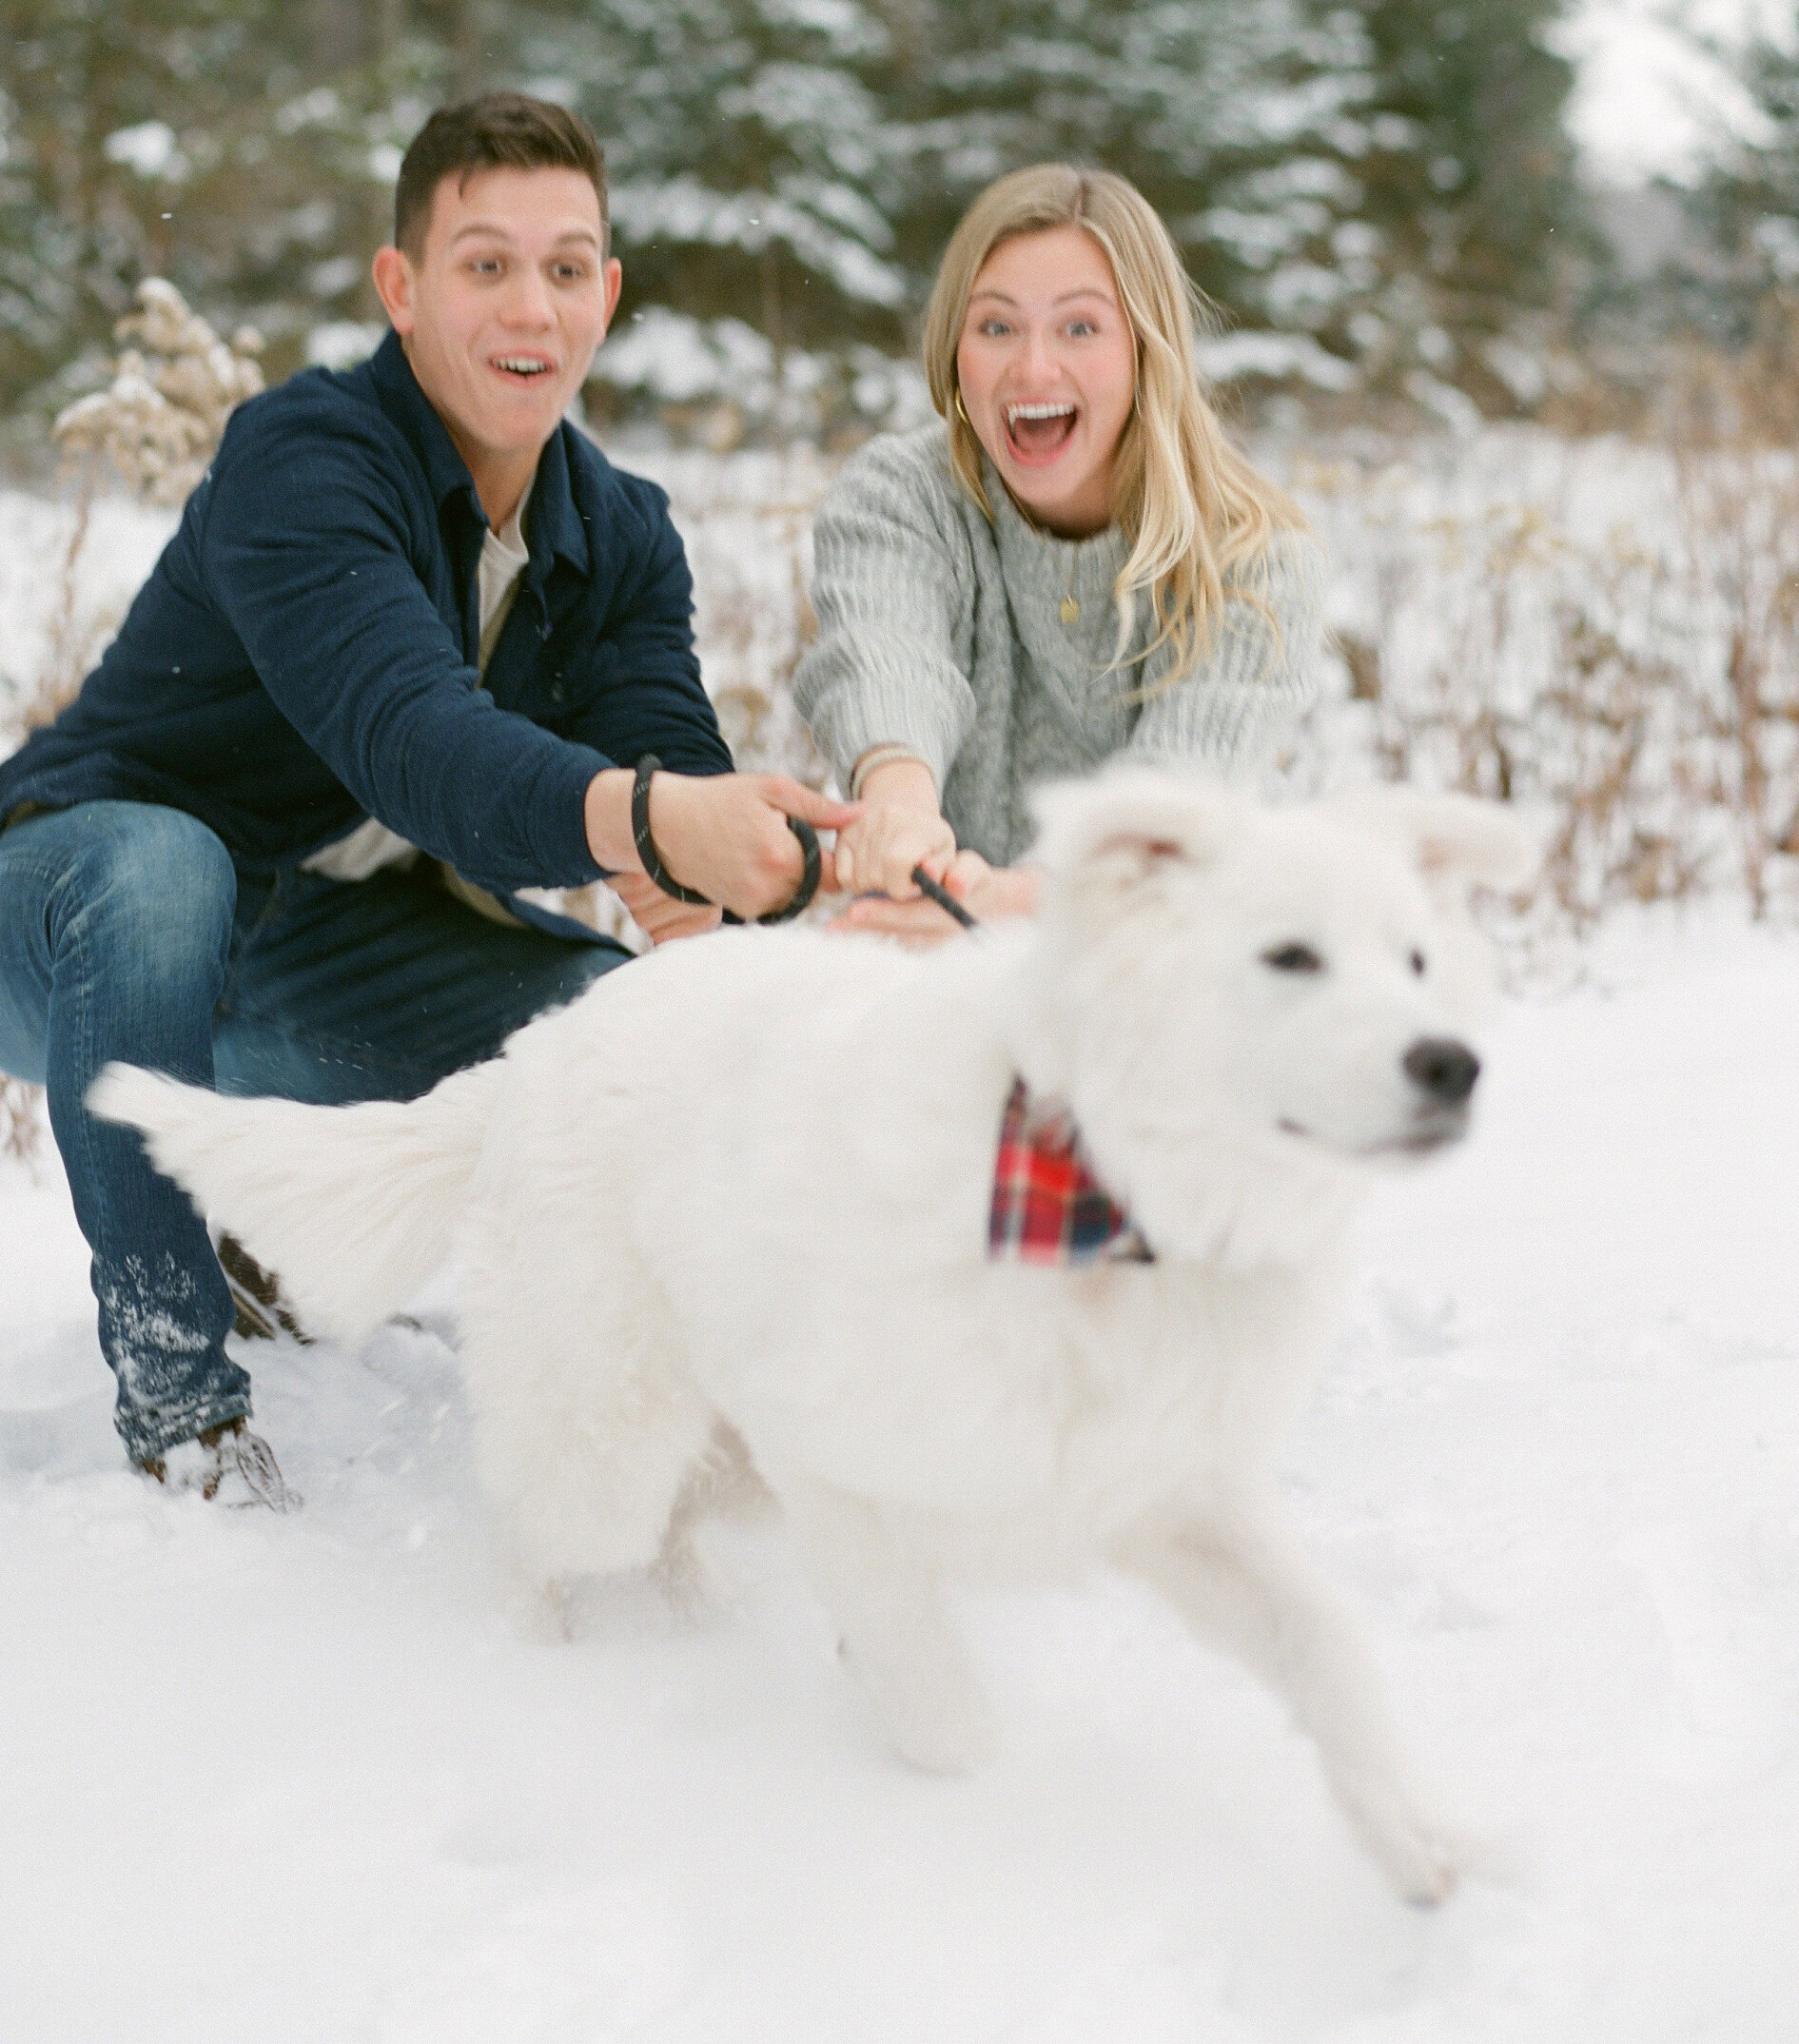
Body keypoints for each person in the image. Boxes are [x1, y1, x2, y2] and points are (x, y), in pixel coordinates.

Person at [0, 93, 851, 1496]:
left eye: (568, 268)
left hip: (316, 962)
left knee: (608, 1033)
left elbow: (671, 788)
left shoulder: (621, 531)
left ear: (609, 294)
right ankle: (182, 1407)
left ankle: (716, 1383)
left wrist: (772, 882)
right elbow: (415, 739)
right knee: (163, 868)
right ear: (402, 287)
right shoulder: (307, 455)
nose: (533, 307)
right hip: (71, 926)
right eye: (486, 263)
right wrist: (644, 821)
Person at [793, 163, 1324, 937]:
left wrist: (1005, 908)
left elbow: (1168, 819)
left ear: (1146, 347)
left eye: (1080, 327)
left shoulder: (1252, 556)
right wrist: (899, 807)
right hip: (925, 966)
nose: (1033, 368)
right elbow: (887, 658)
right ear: (954, 348)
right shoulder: (899, 497)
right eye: (997, 326)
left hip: (1153, 975)